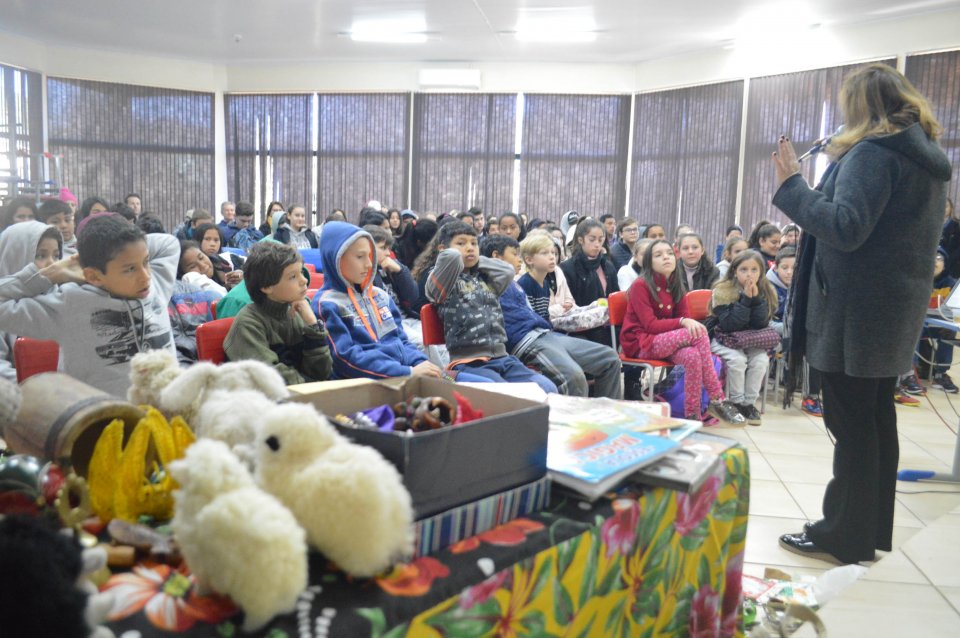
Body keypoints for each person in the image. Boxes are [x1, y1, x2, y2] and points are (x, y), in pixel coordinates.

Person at [772, 63, 951, 565]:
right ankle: (867, 531)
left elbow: (846, 227)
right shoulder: (925, 157)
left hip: (854, 313)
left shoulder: (874, 155)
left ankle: (842, 536)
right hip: (889, 311)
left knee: (852, 428)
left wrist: (793, 186)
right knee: (873, 423)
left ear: (861, 108)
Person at [0, 213, 179, 397]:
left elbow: (169, 244)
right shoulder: (70, 305)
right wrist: (48, 275)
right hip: (104, 419)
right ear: (93, 276)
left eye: (145, 262)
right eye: (130, 269)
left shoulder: (154, 286)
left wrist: (126, 245)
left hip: (168, 416)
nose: (145, 276)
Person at [312, 222, 458, 381]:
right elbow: (345, 359)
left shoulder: (380, 296)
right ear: (335, 258)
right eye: (360, 257)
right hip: (366, 386)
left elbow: (401, 341)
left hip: (401, 377)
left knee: (473, 384)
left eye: (369, 256)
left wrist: (422, 365)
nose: (368, 264)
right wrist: (407, 372)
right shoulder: (327, 304)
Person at [620, 239, 744, 424]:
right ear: (648, 262)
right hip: (641, 342)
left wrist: (684, 322)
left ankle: (692, 415)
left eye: (669, 253)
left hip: (665, 341)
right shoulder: (640, 285)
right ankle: (717, 398)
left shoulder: (676, 283)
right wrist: (682, 322)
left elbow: (684, 318)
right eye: (658, 255)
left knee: (693, 356)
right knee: (698, 332)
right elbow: (650, 325)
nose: (666, 257)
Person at [423, 221, 556, 393]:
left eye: (474, 243)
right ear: (443, 249)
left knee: (548, 387)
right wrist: (456, 255)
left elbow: (507, 271)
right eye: (461, 243)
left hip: (502, 357)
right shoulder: (444, 283)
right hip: (469, 362)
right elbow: (451, 259)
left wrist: (476, 260)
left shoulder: (485, 279)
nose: (470, 248)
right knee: (511, 395)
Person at [501, 234, 623, 398]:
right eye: (545, 253)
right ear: (529, 259)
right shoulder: (522, 282)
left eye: (553, 252)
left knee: (610, 358)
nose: (552, 257)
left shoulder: (542, 283)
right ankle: (573, 421)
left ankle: (607, 413)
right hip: (529, 340)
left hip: (546, 334)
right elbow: (530, 320)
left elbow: (542, 316)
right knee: (574, 376)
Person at [224, 242, 332, 384]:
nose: (304, 280)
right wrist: (313, 388)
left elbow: (322, 372)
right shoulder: (248, 324)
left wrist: (313, 326)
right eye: (293, 276)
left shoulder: (297, 313)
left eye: (301, 272)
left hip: (301, 396)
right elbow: (272, 381)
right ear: (267, 286)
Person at [709, 249, 777, 425]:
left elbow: (761, 324)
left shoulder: (766, 290)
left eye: (754, 270)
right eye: (744, 270)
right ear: (734, 271)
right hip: (725, 337)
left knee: (761, 360)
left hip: (751, 338)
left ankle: (749, 404)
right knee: (737, 360)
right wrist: (746, 299)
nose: (749, 274)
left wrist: (756, 300)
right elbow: (730, 325)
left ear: (761, 272)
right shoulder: (722, 290)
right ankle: (736, 402)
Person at [0, 221, 62, 381]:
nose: (51, 263)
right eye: (40, 255)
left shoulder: (60, 297)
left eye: (56, 256)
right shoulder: (4, 307)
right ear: (14, 256)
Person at [558, 217, 619, 346]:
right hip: (582, 331)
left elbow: (615, 297)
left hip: (609, 327)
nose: (597, 244)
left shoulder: (608, 266)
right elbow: (569, 307)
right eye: (592, 239)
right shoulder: (567, 268)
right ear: (581, 240)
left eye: (601, 239)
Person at [916, 248, 958, 392]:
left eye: (939, 258)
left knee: (949, 331)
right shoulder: (917, 281)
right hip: (919, 324)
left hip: (938, 324)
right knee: (914, 330)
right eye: (932, 257)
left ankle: (941, 373)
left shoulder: (951, 284)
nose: (935, 261)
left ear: (945, 264)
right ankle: (910, 373)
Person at [194, 223, 243, 289]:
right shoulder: (195, 263)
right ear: (198, 240)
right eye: (207, 239)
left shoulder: (225, 261)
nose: (212, 244)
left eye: (216, 240)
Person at [767, 246, 796, 336]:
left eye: (794, 268)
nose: (789, 272)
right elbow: (766, 322)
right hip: (775, 334)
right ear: (776, 267)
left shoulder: (801, 286)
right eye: (784, 268)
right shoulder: (767, 288)